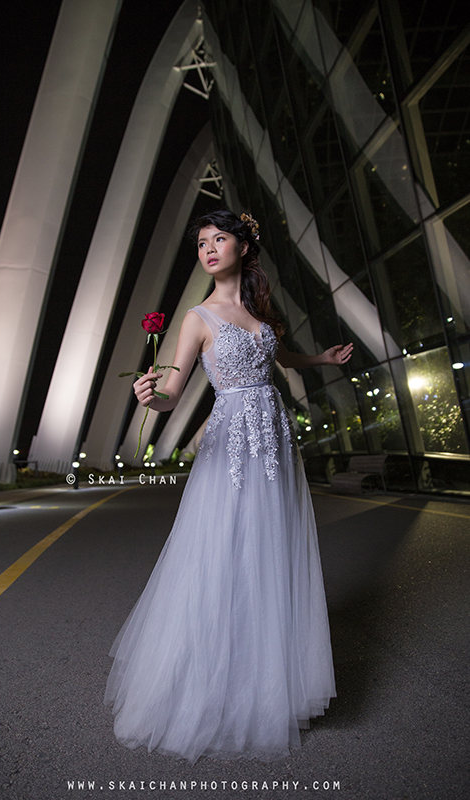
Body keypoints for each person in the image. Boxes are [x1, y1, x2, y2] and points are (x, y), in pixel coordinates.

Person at [104, 209, 353, 764]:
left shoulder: (259, 312)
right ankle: (212, 688)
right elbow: (172, 390)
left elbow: (278, 357)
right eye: (201, 243)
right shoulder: (197, 317)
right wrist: (151, 397)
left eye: (219, 239)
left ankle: (268, 686)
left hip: (275, 444)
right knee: (224, 552)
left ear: (243, 247)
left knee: (271, 554)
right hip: (233, 444)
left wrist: (321, 358)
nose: (209, 249)